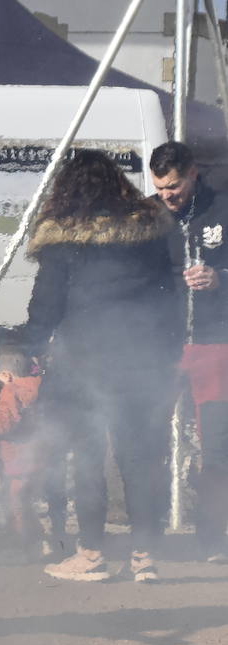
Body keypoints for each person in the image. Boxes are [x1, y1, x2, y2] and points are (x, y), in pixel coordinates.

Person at [26, 149, 181, 583]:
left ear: (67, 189)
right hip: (141, 362)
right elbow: (170, 293)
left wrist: (30, 346)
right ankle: (144, 558)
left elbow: (47, 303)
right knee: (139, 459)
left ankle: (91, 554)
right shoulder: (149, 229)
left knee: (87, 459)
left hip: (84, 364)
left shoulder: (63, 236)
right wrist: (167, 353)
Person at [150, 141, 228, 562]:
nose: (168, 195)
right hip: (160, 346)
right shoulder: (147, 215)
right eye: (161, 187)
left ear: (193, 173)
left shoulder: (224, 210)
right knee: (146, 435)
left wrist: (222, 279)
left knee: (217, 444)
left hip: (216, 343)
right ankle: (149, 531)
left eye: (174, 186)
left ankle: (212, 536)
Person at [0, 343, 62, 559]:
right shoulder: (41, 385)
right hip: (42, 454)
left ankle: (23, 545)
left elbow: (4, 424)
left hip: (16, 458)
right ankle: (46, 539)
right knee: (31, 499)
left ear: (7, 375)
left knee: (16, 501)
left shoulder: (11, 390)